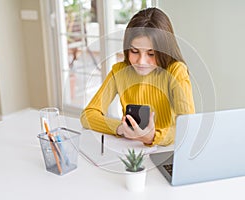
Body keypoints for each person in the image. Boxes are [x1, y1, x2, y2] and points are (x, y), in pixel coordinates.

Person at [80, 7, 195, 146]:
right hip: (131, 149)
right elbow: (88, 115)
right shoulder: (119, 72)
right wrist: (121, 128)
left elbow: (188, 126)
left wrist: (152, 137)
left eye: (151, 54)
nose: (141, 61)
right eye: (134, 51)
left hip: (166, 150)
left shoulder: (176, 71)